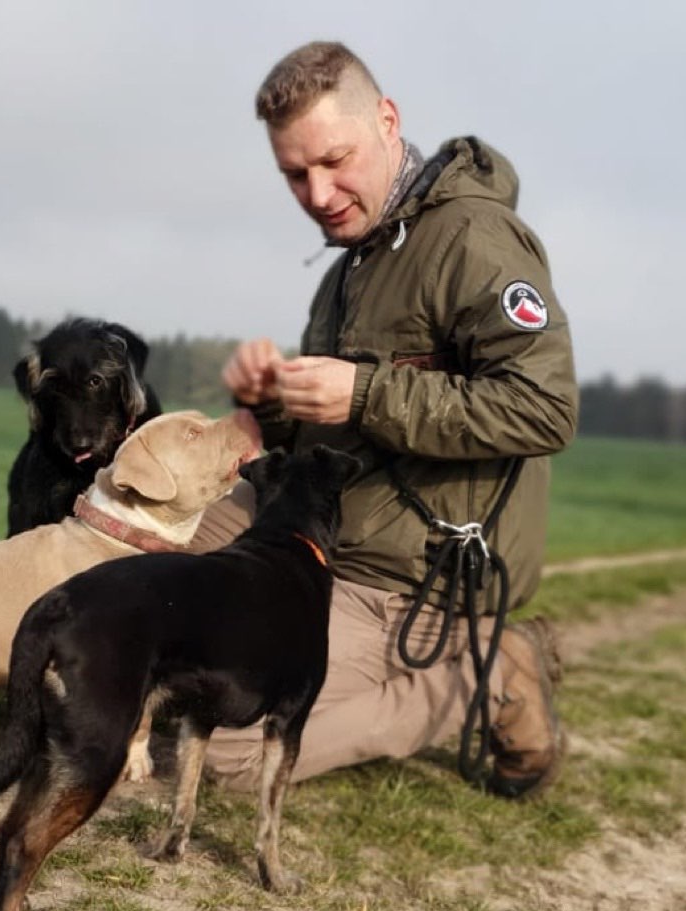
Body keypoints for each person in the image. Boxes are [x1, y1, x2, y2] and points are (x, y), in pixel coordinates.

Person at [189, 40, 577, 799]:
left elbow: (545, 407)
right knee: (146, 550)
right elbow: (337, 431)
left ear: (388, 122)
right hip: (315, 529)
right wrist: (273, 402)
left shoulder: (473, 241)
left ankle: (493, 670)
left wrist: (365, 394)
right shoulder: (349, 267)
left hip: (410, 579)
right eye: (294, 174)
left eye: (335, 160)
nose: (318, 192)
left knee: (230, 751)